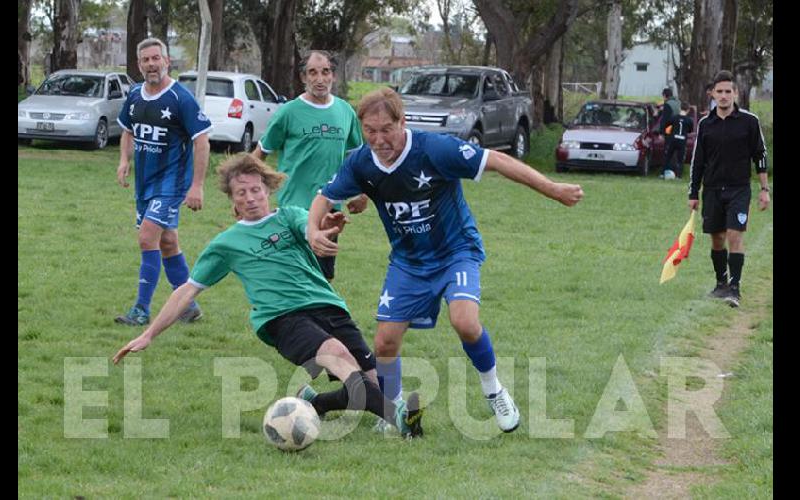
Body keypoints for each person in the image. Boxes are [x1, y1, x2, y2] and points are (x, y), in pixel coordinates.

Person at [306, 88, 584, 433]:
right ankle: (393, 410)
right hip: (408, 261)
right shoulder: (362, 162)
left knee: (465, 322)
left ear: (402, 122)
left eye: (386, 129)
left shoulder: (434, 149)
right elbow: (324, 197)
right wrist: (312, 231)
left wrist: (552, 189)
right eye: (370, 131)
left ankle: (494, 390)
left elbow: (496, 161)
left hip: (456, 252)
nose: (378, 139)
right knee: (384, 342)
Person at [112, 153, 425, 438]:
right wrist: (150, 334)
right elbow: (188, 290)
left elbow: (310, 229)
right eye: (241, 193)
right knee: (338, 355)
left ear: (267, 190)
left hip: (329, 307)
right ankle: (400, 419)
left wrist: (325, 227)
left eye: (255, 190)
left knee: (367, 384)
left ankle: (314, 404)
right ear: (233, 203)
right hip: (281, 318)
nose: (250, 198)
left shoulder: (289, 216)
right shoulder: (226, 244)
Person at [114, 38, 213, 326]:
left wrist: (197, 186)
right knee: (167, 242)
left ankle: (141, 310)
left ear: (167, 61)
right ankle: (188, 306)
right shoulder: (134, 95)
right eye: (145, 60)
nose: (151, 64)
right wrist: (124, 161)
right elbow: (127, 131)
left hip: (171, 184)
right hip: (145, 185)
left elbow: (202, 142)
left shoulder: (181, 98)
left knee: (147, 238)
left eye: (156, 58)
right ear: (139, 64)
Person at [252, 50, 366, 282]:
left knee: (323, 277)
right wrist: (246, 192)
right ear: (303, 78)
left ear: (333, 76)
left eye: (325, 72)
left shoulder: (345, 111)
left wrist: (363, 192)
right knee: (292, 274)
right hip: (293, 208)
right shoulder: (288, 112)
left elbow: (357, 157)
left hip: (330, 210)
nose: (319, 79)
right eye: (312, 73)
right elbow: (259, 154)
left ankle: (318, 319)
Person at [687, 71, 770, 308]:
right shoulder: (705, 124)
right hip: (712, 189)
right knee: (717, 238)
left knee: (734, 235)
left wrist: (764, 189)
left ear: (735, 93)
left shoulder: (749, 121)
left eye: (728, 91)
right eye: (719, 92)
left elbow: (760, 155)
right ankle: (721, 283)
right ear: (712, 94)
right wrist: (693, 193)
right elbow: (697, 162)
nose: (723, 96)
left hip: (739, 189)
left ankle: (735, 288)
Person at [661, 103, 694, 180]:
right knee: (680, 159)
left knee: (668, 156)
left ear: (680, 108)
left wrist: (669, 131)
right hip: (682, 141)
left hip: (673, 139)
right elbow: (690, 130)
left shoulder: (674, 117)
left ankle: (663, 173)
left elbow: (667, 124)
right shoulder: (689, 120)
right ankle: (678, 176)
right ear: (688, 110)